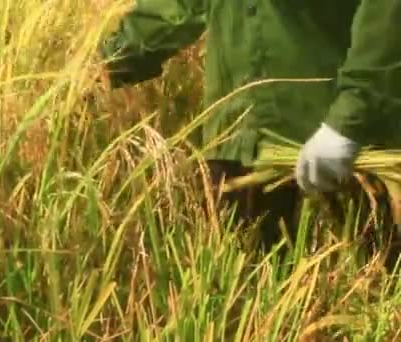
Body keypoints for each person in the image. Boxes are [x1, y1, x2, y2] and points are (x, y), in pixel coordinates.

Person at [98, 0, 401, 263]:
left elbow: (388, 16)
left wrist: (350, 120)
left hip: (336, 153)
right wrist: (107, 62)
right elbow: (177, 6)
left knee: (359, 300)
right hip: (236, 146)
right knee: (243, 307)